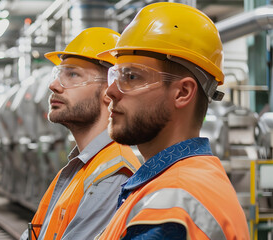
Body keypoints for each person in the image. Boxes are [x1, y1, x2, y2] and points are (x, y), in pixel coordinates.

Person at [96, 3, 250, 239]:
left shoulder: (168, 207)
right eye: (115, 76)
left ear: (182, 92)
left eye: (132, 76)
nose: (111, 92)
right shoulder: (184, 181)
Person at [19, 27, 141, 240]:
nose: (54, 85)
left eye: (72, 74)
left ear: (109, 91)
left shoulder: (114, 174)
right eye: (58, 74)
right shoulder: (77, 169)